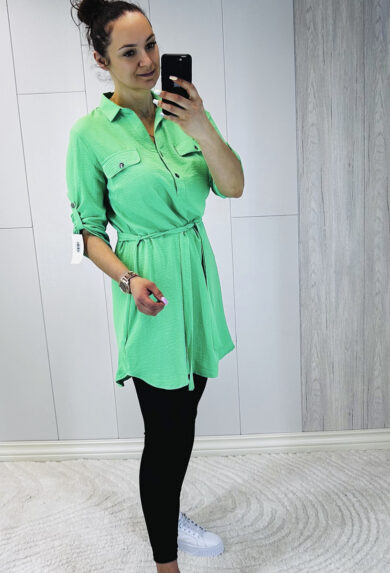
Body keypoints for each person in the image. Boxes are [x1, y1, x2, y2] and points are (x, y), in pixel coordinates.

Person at [67, 1, 244, 571]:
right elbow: (87, 233)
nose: (147, 61)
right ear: (102, 60)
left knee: (184, 420)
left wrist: (200, 125)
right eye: (129, 52)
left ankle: (168, 508)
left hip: (197, 280)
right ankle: (166, 560)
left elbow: (233, 186)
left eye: (151, 44)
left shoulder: (185, 113)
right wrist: (127, 279)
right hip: (150, 293)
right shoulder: (89, 135)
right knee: (164, 433)